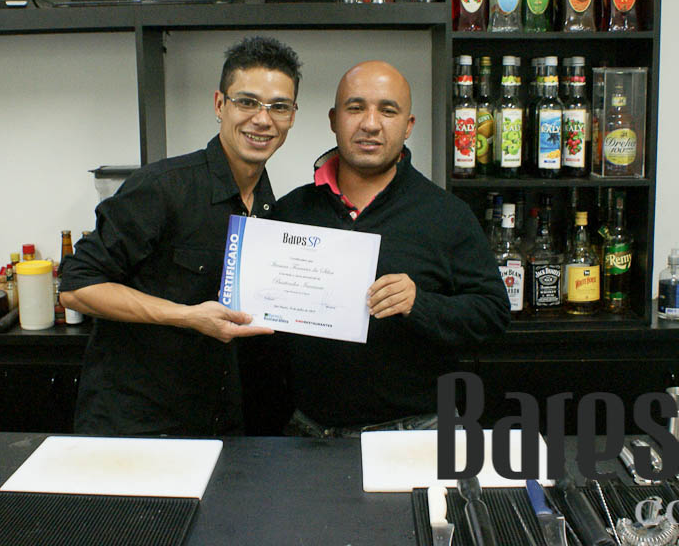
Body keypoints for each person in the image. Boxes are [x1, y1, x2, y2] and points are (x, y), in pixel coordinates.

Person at [59, 36, 302, 437]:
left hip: (218, 423)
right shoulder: (162, 187)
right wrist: (187, 316)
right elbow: (76, 287)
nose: (263, 119)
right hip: (137, 427)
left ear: (292, 117)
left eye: (279, 107)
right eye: (247, 102)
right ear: (220, 105)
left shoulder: (268, 206)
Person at [268, 60, 511, 436]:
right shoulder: (290, 211)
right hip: (308, 433)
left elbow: (493, 314)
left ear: (408, 125)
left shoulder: (447, 215)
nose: (370, 123)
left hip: (416, 432)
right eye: (355, 108)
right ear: (334, 119)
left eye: (387, 110)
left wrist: (420, 303)